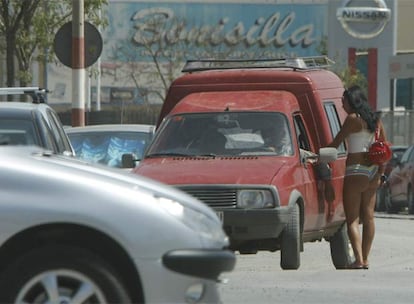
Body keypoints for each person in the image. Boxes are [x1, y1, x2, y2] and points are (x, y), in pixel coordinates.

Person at [327, 85, 387, 269]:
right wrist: (381, 174)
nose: (342, 104)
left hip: (356, 170)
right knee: (369, 218)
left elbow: (336, 143)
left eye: (343, 100)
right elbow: (383, 146)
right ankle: (366, 259)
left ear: (353, 101)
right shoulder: (375, 121)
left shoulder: (352, 119)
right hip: (372, 172)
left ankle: (359, 260)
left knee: (352, 218)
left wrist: (320, 154)